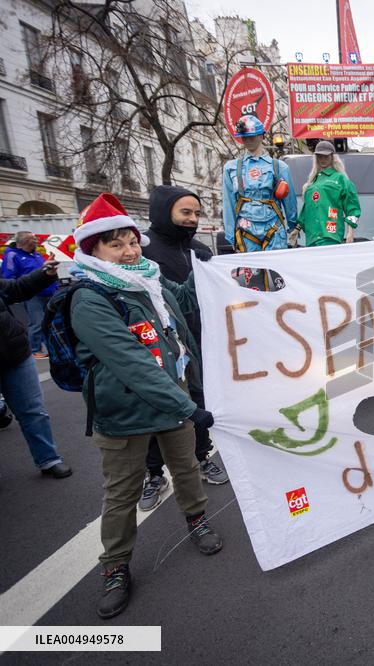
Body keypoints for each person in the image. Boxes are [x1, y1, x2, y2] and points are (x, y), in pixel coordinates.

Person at [69, 192, 223, 619]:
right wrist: (191, 406)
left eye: (132, 241)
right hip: (125, 413)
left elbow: (186, 302)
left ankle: (197, 520)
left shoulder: (148, 279)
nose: (129, 251)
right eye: (115, 245)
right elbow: (131, 362)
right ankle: (116, 566)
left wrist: (208, 270)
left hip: (172, 402)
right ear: (93, 250)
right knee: (121, 493)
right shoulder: (89, 296)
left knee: (188, 466)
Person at [137, 186, 229, 511]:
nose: (192, 220)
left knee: (198, 401)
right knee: (156, 407)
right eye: (185, 213)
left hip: (198, 340)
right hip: (155, 345)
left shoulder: (201, 251)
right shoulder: (142, 252)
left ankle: (202, 457)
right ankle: (153, 474)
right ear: (165, 212)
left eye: (196, 213)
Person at [0, 258, 72, 478]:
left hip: (15, 354)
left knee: (33, 411)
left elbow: (16, 289)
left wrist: (45, 274)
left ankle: (49, 459)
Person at [222, 115, 297, 265]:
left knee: (278, 274)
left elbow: (290, 201)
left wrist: (293, 228)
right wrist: (230, 236)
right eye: (244, 137)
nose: (247, 140)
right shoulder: (230, 168)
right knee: (252, 278)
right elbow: (228, 203)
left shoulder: (279, 167)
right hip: (245, 229)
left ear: (261, 135)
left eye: (252, 136)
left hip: (273, 227)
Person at [2, 231, 58, 359]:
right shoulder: (12, 255)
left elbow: (44, 272)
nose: (36, 241)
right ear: (23, 242)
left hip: (48, 293)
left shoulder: (37, 255)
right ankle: (35, 349)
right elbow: (8, 277)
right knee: (37, 323)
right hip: (33, 295)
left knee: (49, 323)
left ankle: (50, 347)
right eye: (33, 239)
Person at [299, 141, 362, 247]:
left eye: (326, 157)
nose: (323, 159)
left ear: (333, 157)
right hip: (312, 238)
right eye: (320, 156)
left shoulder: (340, 179)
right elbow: (306, 210)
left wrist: (350, 231)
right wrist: (296, 230)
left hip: (330, 235)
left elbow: (352, 205)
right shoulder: (311, 183)